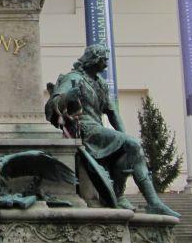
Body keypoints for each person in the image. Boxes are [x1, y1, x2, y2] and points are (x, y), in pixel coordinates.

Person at [44, 44, 180, 217]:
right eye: (103, 60)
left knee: (132, 148)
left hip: (97, 129)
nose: (106, 64)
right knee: (131, 145)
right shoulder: (74, 78)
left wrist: (124, 137)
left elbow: (113, 113)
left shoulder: (100, 84)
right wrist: (68, 97)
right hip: (84, 129)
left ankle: (135, 198)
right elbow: (53, 104)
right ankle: (141, 200)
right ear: (93, 60)